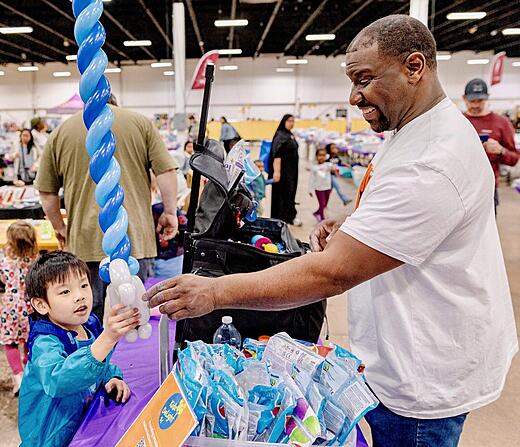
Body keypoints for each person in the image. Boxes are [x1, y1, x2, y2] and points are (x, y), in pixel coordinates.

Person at [144, 15, 517, 447]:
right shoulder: (411, 130)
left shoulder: (432, 161)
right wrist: (360, 224)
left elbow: (333, 274)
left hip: (422, 378)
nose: (354, 96)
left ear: (415, 67)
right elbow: (407, 214)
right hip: (402, 352)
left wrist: (215, 292)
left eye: (364, 79)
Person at [35, 94, 178, 321]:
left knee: (88, 320)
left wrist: (59, 228)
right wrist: (170, 213)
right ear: (115, 103)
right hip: (133, 241)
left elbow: (47, 193)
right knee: (133, 318)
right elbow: (166, 172)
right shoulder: (140, 123)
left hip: (84, 242)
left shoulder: (61, 131)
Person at [18, 251, 137, 447]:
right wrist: (107, 339)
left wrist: (111, 377)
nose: (80, 296)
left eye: (83, 286)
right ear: (41, 304)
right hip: (50, 435)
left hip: (81, 426)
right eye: (65, 292)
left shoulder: (89, 324)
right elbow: (58, 380)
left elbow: (101, 362)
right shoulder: (45, 341)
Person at [462, 78, 519, 213]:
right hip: (460, 187)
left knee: (486, 233)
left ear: (487, 98)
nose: (475, 105)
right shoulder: (456, 120)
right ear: (464, 98)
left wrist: (501, 151)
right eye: (472, 101)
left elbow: (514, 158)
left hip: (488, 189)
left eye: (480, 101)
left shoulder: (501, 123)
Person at [0, 221, 38, 395]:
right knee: (29, 342)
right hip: (31, 307)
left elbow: (3, 279)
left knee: (10, 343)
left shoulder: (4, 261)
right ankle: (30, 374)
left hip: (10, 307)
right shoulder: (36, 262)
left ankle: (18, 377)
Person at [268, 114, 302, 226]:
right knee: (282, 194)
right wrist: (277, 172)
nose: (291, 123)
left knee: (290, 193)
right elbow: (276, 154)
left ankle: (289, 217)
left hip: (291, 171)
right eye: (289, 121)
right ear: (284, 122)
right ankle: (280, 218)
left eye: (293, 121)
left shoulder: (289, 134)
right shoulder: (280, 135)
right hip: (283, 171)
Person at [309, 148, 334, 222]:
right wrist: (309, 190)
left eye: (323, 155)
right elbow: (311, 179)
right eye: (319, 155)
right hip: (319, 189)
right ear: (316, 156)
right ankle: (322, 221)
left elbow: (333, 167)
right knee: (322, 204)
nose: (321, 157)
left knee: (325, 205)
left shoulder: (328, 165)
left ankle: (316, 213)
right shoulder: (314, 167)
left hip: (328, 188)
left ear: (326, 156)